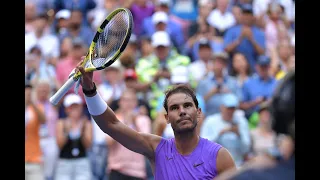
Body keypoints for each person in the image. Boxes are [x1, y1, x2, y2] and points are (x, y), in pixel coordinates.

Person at [75, 59, 236, 179]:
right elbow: (111, 124)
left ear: (199, 112)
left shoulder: (219, 156)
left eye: (187, 105)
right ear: (166, 118)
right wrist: (89, 90)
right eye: (174, 108)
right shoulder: (156, 148)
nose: (182, 111)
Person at [215, 70, 295, 180]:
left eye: (233, 108)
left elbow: (245, 150)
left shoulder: (257, 175)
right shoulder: (212, 121)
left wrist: (248, 168)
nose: (231, 111)